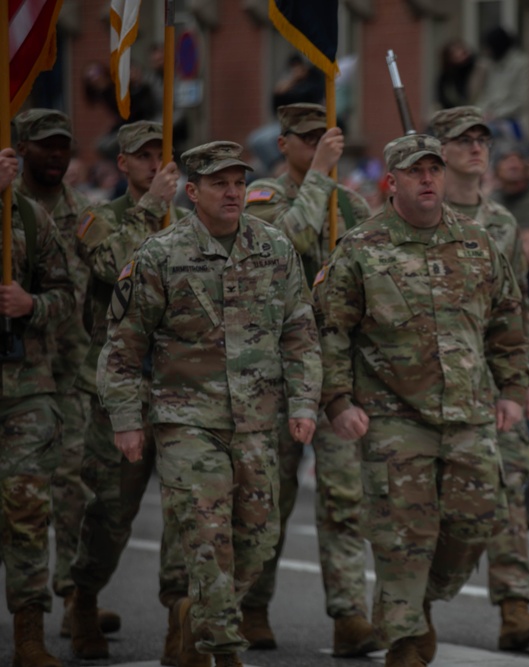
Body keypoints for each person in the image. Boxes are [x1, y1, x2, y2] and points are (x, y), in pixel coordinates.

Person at [97, 141, 322, 667]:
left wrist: (305, 402)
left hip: (256, 420)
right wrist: (128, 421)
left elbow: (300, 334)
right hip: (186, 420)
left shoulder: (273, 248)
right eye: (220, 183)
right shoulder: (159, 254)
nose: (233, 192)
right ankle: (222, 649)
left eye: (239, 182)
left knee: (258, 539)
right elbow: (124, 345)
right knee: (207, 538)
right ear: (192, 192)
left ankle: (192, 619)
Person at [312, 134, 529, 666]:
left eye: (434, 169)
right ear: (393, 182)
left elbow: (506, 320)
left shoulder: (478, 243)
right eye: (416, 171)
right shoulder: (361, 248)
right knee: (403, 533)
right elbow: (332, 331)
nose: (428, 178)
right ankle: (406, 638)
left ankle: (420, 601)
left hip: (469, 412)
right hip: (392, 416)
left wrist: (514, 390)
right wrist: (338, 402)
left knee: (475, 521)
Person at [241, 103, 376, 656]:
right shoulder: (261, 199)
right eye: (307, 139)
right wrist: (320, 174)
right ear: (285, 143)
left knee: (344, 497)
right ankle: (251, 604)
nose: (321, 144)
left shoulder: (353, 204)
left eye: (327, 137)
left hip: (337, 369)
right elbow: (287, 245)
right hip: (277, 372)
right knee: (268, 497)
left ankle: (349, 614)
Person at [429, 106, 529, 651]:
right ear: (438, 149)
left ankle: (515, 607)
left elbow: (516, 306)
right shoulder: (417, 213)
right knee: (426, 501)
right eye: (463, 140)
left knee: (509, 487)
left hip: (490, 377)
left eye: (483, 139)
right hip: (427, 379)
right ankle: (415, 608)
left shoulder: (501, 222)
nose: (477, 148)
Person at [67, 121, 188, 661]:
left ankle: (180, 617)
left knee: (188, 508)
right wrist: (148, 209)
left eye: (163, 155)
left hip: (182, 386)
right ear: (123, 164)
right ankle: (83, 597)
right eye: (144, 156)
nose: (156, 165)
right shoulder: (100, 219)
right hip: (123, 386)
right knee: (112, 511)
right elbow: (116, 269)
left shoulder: (189, 224)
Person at [12, 108, 120, 637]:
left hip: (71, 374)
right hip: (19, 374)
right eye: (45, 146)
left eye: (64, 147)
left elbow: (115, 262)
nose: (56, 156)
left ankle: (75, 596)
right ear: (20, 147)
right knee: (23, 498)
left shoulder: (82, 211)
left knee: (74, 489)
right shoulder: (9, 209)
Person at [0, 145, 74, 667]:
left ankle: (29, 634)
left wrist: (33, 305)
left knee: (28, 513)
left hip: (25, 389)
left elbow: (68, 295)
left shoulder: (31, 217)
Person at [473, 27, 529, 141]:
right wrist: (479, 113)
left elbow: (521, 100)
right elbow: (485, 95)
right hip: (489, 117)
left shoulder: (522, 64)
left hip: (512, 120)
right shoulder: (490, 64)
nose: (487, 52)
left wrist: (495, 115)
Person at [437, 39, 477, 110]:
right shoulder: (446, 79)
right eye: (454, 52)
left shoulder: (477, 69)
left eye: (460, 49)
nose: (460, 53)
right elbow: (443, 101)